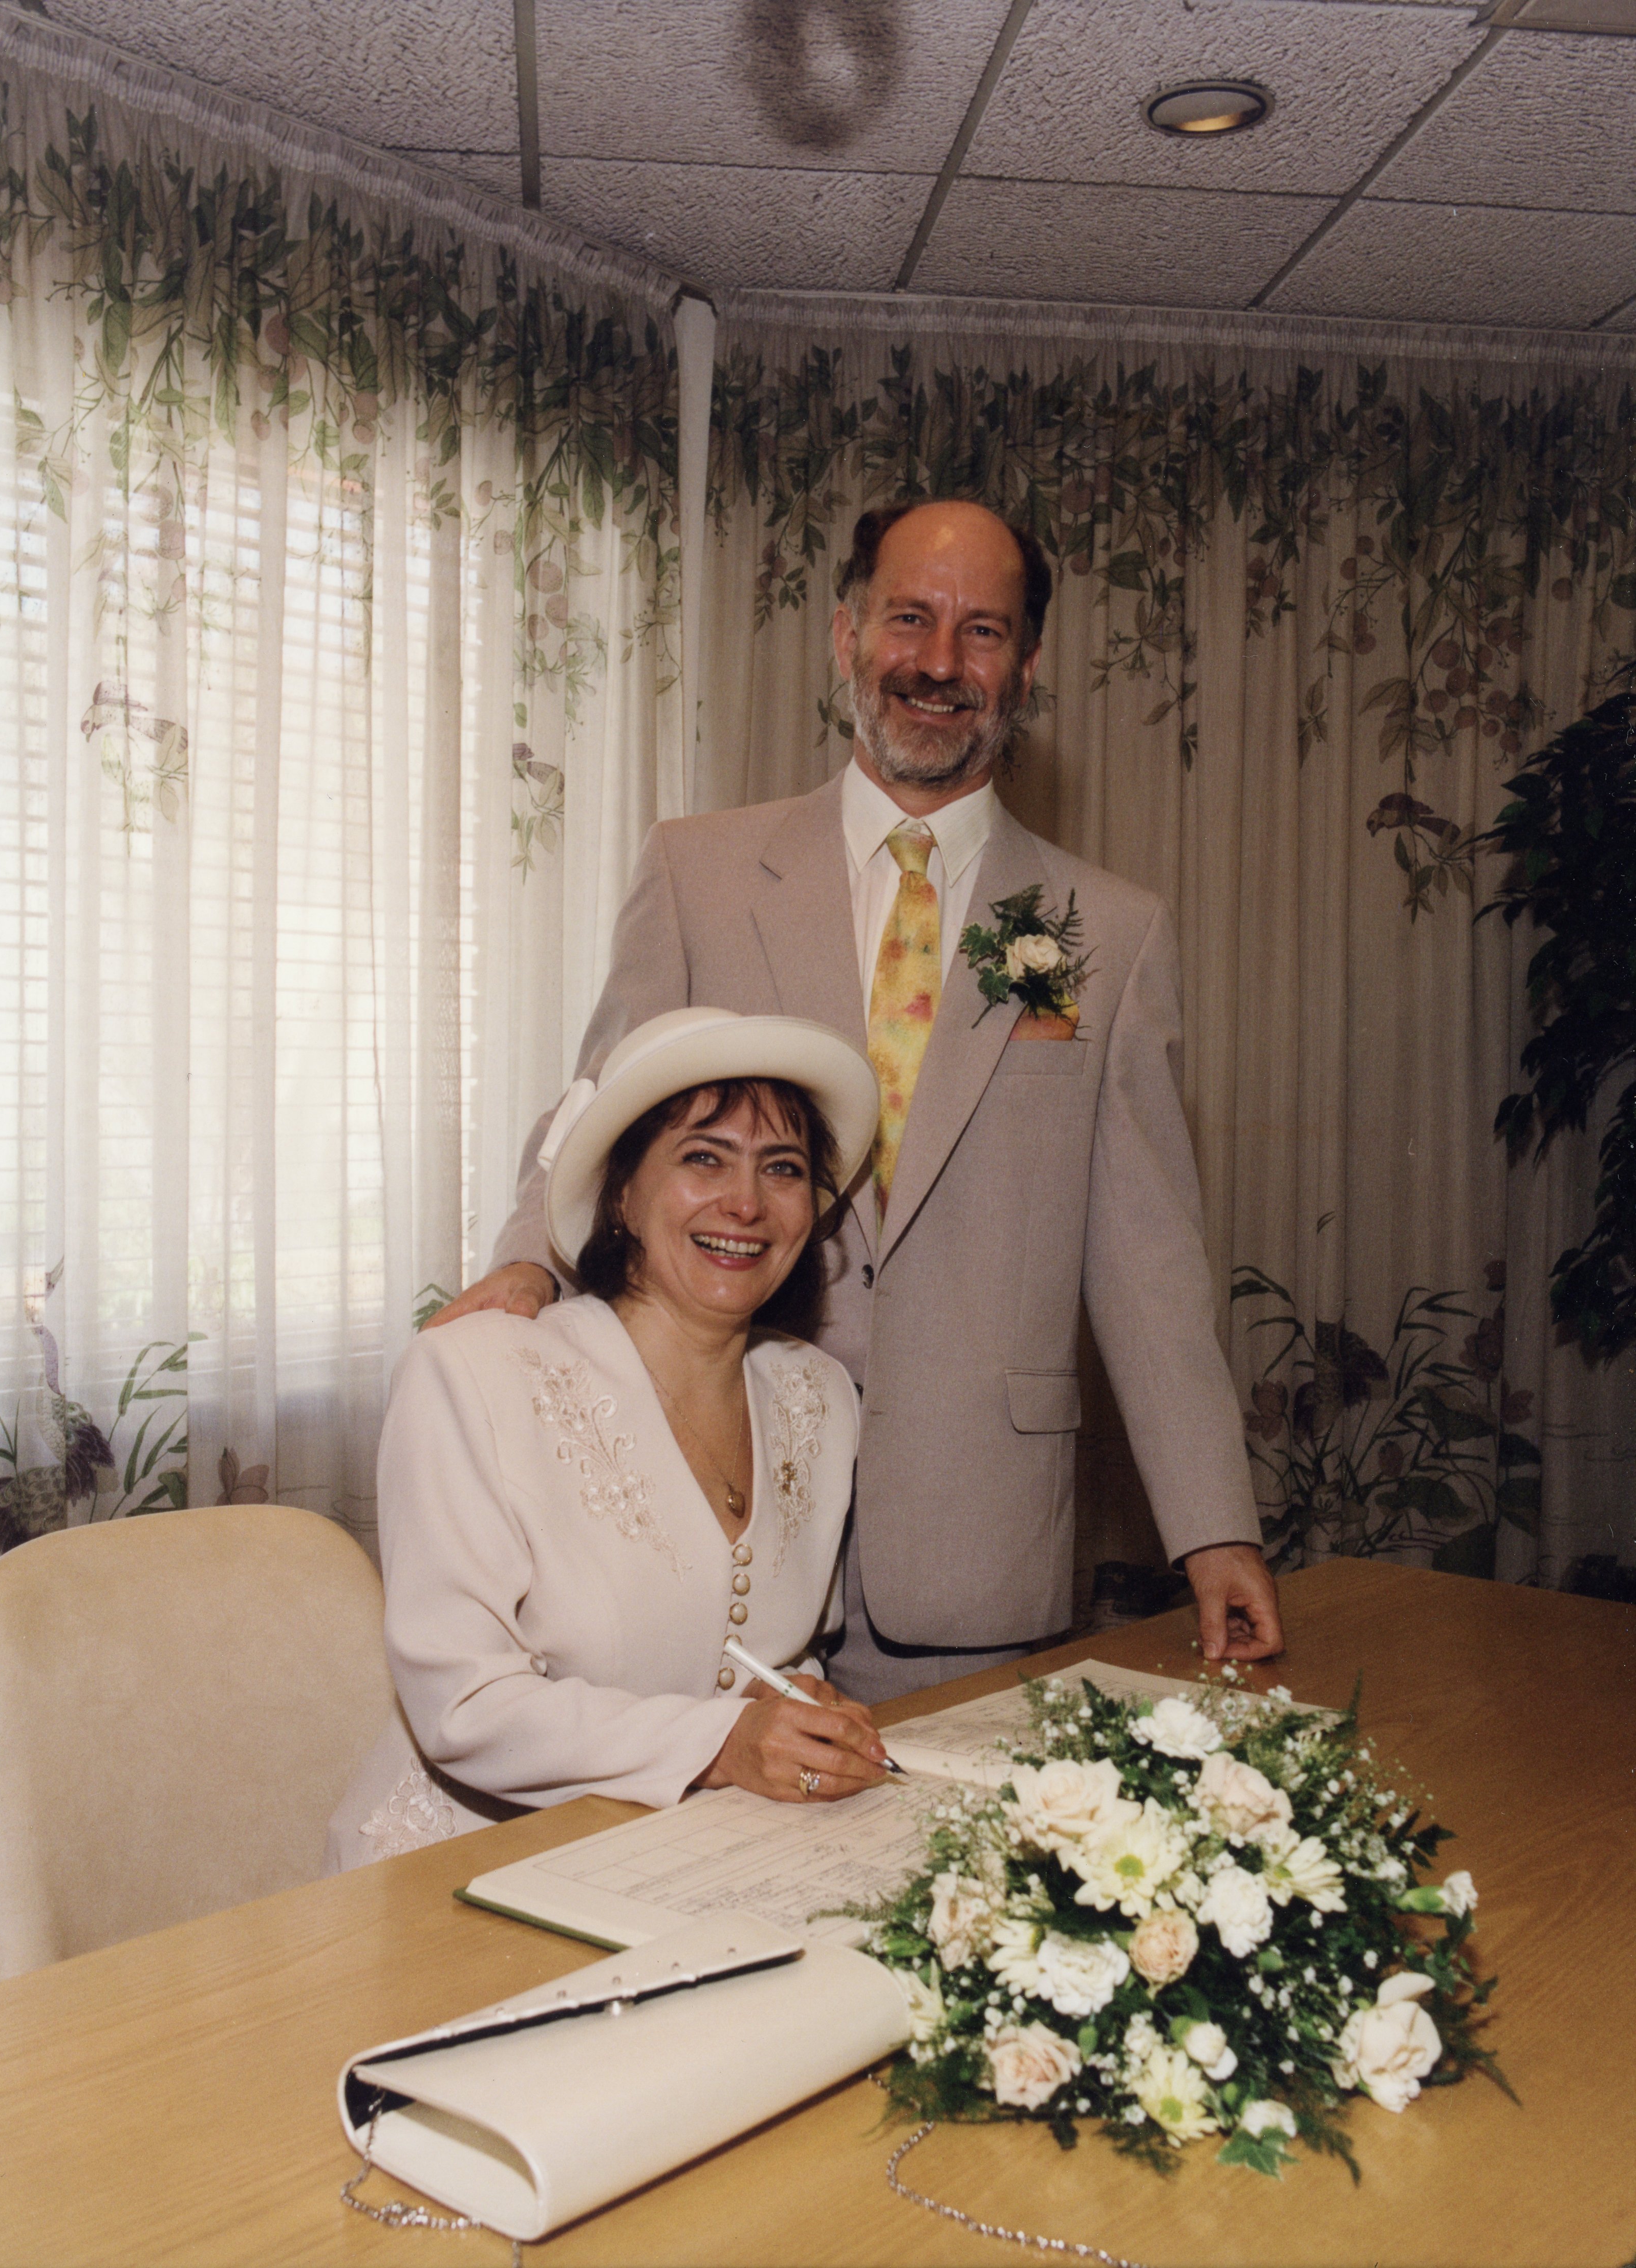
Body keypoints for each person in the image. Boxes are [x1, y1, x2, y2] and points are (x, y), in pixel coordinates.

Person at [431, 499, 1284, 1704]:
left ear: (1025, 666)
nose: (939, 662)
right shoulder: (697, 873)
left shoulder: (1111, 931)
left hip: (975, 1558)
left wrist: (1212, 1527)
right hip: (710, 1524)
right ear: (845, 634)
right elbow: (594, 1111)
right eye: (908, 618)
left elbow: (1148, 1259)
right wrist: (527, 1264)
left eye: (981, 631)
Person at [324, 1008, 889, 1871]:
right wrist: (725, 1741)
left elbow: (773, 1642)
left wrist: (800, 1699)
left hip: (698, 1862)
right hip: (464, 1876)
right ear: (622, 1193)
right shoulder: (472, 1374)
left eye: (783, 1168)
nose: (746, 1202)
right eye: (704, 1157)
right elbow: (466, 1704)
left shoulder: (820, 1394)